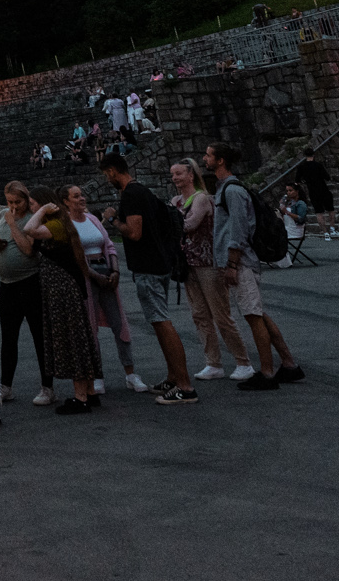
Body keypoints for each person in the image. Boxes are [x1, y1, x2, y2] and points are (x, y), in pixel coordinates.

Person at [206, 142, 305, 391]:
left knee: (253, 316)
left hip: (241, 262)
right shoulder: (227, 189)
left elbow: (239, 228)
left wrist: (231, 263)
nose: (204, 159)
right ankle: (288, 364)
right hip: (240, 261)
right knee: (257, 313)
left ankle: (267, 372)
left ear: (220, 160)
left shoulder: (232, 191)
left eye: (208, 155)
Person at [100, 153, 196, 403]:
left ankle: (184, 386)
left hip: (148, 266)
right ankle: (173, 378)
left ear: (112, 171)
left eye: (107, 174)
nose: (107, 179)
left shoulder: (131, 194)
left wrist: (112, 219)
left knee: (161, 322)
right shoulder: (143, 191)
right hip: (159, 263)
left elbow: (134, 232)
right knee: (158, 321)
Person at [14, 183, 101, 412]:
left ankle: (80, 397)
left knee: (71, 338)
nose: (32, 209)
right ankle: (89, 392)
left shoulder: (55, 224)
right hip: (61, 287)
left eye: (33, 204)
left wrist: (43, 210)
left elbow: (30, 229)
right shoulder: (58, 224)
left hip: (62, 288)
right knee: (77, 337)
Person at [170, 160, 250, 379]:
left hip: (208, 263)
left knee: (221, 315)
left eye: (179, 173)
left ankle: (243, 361)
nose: (175, 178)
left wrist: (171, 220)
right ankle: (213, 362)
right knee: (199, 315)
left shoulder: (201, 198)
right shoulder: (176, 201)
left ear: (191, 175)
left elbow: (189, 224)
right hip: (188, 264)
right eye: (173, 174)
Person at [65, 184, 146, 391]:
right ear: (66, 202)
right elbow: (73, 256)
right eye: (76, 196)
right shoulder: (67, 224)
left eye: (82, 195)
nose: (82, 199)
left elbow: (109, 245)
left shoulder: (92, 219)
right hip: (87, 277)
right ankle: (96, 375)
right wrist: (94, 275)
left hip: (106, 273)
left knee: (119, 323)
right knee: (90, 327)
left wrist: (115, 271)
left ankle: (131, 373)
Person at [0, 180, 50, 406]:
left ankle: (47, 386)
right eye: (9, 202)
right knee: (8, 336)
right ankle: (6, 385)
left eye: (18, 202)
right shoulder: (3, 215)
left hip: (29, 281)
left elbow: (28, 250)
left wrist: (13, 224)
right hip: (7, 284)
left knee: (38, 335)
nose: (13, 207)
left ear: (26, 199)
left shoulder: (32, 218)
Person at [293, 154, 337, 238]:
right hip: (323, 189)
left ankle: (325, 233)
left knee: (318, 212)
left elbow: (297, 180)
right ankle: (332, 229)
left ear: (305, 156)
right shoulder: (318, 165)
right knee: (330, 209)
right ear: (313, 155)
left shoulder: (301, 167)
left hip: (312, 191)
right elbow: (327, 177)